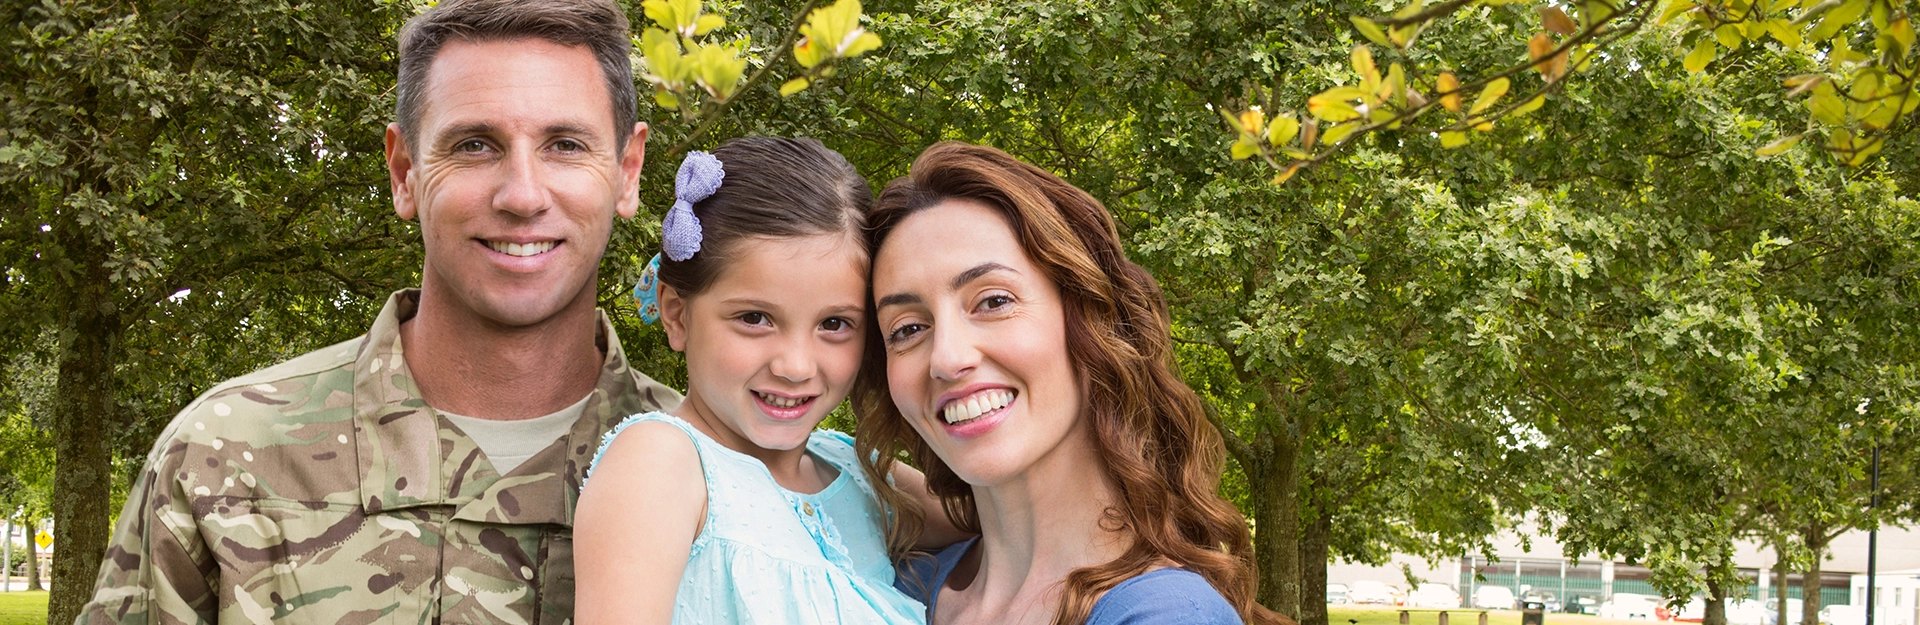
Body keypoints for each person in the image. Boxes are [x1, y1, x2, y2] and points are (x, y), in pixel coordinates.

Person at [73, 0, 678, 622]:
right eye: (474, 145)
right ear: (404, 172)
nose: (522, 195)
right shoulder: (222, 457)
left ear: (627, 171)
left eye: (566, 144)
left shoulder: (722, 477)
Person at [856, 142, 1287, 625]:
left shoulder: (1165, 614)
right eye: (908, 329)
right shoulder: (890, 588)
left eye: (994, 301)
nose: (947, 359)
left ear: (1090, 320)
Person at [574, 137, 966, 625]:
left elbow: (1003, 514)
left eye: (834, 324)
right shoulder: (662, 463)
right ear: (677, 315)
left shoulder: (852, 470)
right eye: (755, 318)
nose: (795, 366)